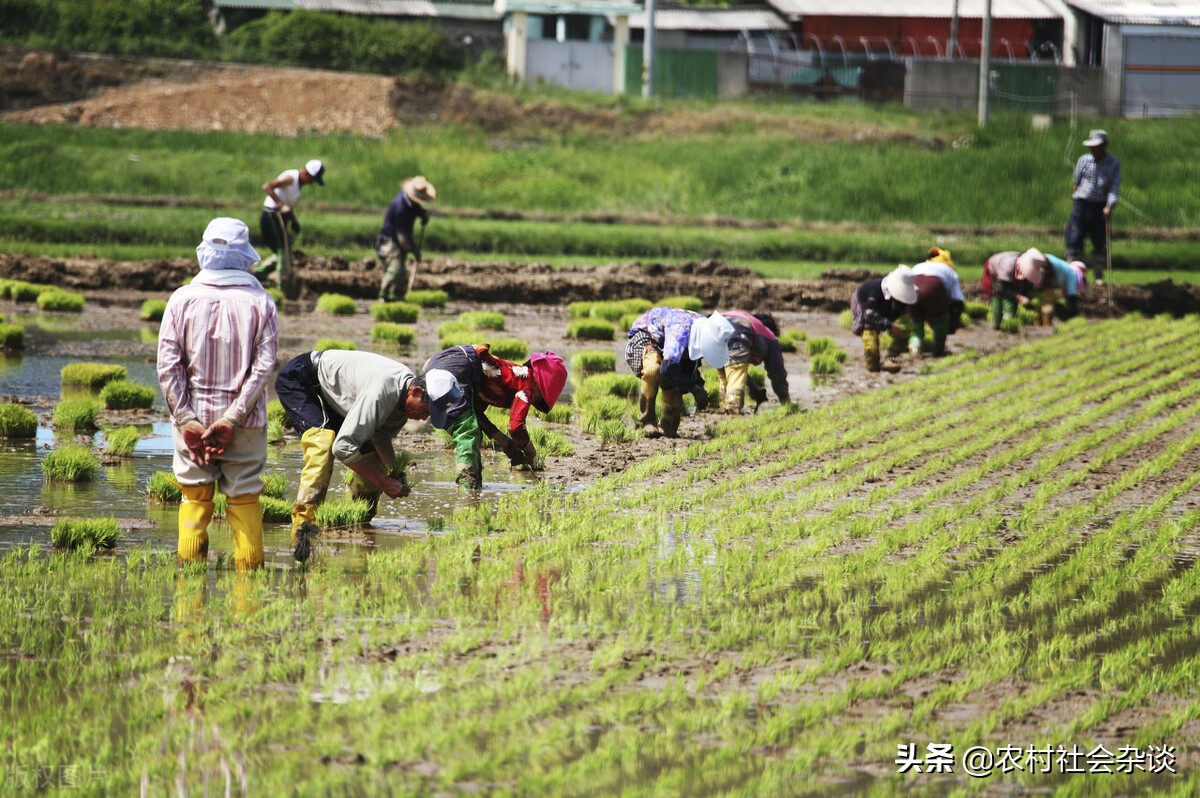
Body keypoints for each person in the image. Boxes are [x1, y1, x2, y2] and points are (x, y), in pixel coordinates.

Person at [157, 218, 279, 570]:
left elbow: (168, 368)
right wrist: (232, 419)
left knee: (194, 497)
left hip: (191, 422)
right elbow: (263, 369)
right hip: (246, 423)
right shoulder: (261, 303)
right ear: (245, 255)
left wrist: (188, 421)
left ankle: (190, 601)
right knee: (244, 500)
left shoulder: (181, 300)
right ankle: (248, 598)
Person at [274, 349, 428, 561]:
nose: (424, 417)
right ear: (416, 392)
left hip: (338, 400)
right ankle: (303, 530)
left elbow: (379, 437)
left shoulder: (403, 403)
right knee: (323, 445)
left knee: (372, 456)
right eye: (426, 409)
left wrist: (394, 471)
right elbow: (343, 448)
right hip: (306, 381)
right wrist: (384, 482)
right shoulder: (382, 394)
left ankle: (358, 524)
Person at [625, 308, 734, 438]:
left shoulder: (704, 329)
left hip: (668, 346)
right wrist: (693, 388)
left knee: (677, 381)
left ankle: (668, 426)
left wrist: (698, 386)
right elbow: (667, 368)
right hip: (646, 337)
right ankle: (648, 420)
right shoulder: (680, 330)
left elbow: (689, 368)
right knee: (654, 369)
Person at [473, 345, 568, 469]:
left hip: (463, 361)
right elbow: (515, 427)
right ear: (541, 387)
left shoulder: (509, 377)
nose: (536, 399)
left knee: (472, 432)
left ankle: (474, 480)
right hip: (464, 366)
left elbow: (474, 412)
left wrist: (504, 441)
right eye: (540, 397)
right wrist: (529, 450)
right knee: (468, 436)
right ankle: (471, 483)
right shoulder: (527, 387)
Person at [419, 345, 487, 489]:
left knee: (468, 428)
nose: (425, 418)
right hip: (448, 368)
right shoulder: (450, 397)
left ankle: (473, 482)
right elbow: (466, 436)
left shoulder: (454, 390)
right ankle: (468, 485)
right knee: (466, 432)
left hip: (442, 363)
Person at [255, 159, 326, 291]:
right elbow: (268, 187)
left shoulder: (299, 185)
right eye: (313, 179)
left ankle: (260, 273)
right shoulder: (291, 177)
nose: (312, 183)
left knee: (285, 251)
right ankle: (282, 286)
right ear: (306, 174)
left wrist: (294, 221)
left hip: (281, 216)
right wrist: (280, 205)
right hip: (272, 214)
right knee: (283, 250)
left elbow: (289, 205)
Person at [1066, 129, 1120, 284]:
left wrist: (1109, 205)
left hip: (1100, 207)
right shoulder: (1084, 160)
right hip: (1081, 205)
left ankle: (1098, 275)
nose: (1093, 149)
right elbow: (1076, 181)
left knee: (1099, 241)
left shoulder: (1113, 164)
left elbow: (1114, 187)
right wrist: (1079, 194)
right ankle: (1074, 275)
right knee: (1074, 239)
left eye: (1097, 146)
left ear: (1104, 145)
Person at [715, 310, 790, 413]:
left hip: (714, 325)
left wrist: (753, 389)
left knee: (726, 372)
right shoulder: (769, 335)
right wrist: (786, 401)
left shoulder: (747, 318)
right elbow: (778, 375)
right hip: (737, 328)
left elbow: (737, 367)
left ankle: (723, 405)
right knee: (736, 369)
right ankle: (732, 408)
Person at [377, 176, 435, 302]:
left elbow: (416, 209)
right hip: (389, 241)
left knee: (402, 275)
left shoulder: (412, 203)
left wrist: (423, 215)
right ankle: (383, 296)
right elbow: (402, 238)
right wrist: (415, 251)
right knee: (396, 270)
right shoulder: (400, 207)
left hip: (401, 239)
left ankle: (396, 296)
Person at [850, 265, 917, 373]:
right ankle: (872, 366)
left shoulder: (901, 299)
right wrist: (889, 325)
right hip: (867, 311)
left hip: (886, 309)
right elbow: (868, 316)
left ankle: (890, 358)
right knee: (870, 337)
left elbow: (903, 313)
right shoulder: (874, 291)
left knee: (907, 327)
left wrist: (899, 327)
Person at [912, 247, 966, 344]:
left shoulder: (918, 266)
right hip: (934, 288)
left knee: (916, 321)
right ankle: (938, 350)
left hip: (912, 290)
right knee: (941, 319)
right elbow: (957, 298)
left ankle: (915, 346)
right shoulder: (949, 271)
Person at [981, 248, 1045, 329]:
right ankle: (997, 322)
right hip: (996, 271)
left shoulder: (1036, 267)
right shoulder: (1007, 266)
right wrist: (1019, 297)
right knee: (997, 294)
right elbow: (1002, 288)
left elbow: (1031, 285)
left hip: (1010, 273)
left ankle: (1008, 319)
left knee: (1013, 296)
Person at [1037, 254, 1088, 323]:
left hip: (1044, 263)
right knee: (1053, 303)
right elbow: (1071, 296)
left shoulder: (1064, 267)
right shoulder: (1072, 274)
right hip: (1049, 269)